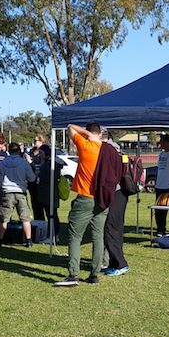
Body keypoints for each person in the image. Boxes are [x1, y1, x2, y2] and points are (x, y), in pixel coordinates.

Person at [54, 123, 107, 287]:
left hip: (85, 197)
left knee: (75, 236)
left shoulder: (86, 146)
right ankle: (94, 274)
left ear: (89, 134)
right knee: (98, 237)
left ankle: (73, 274)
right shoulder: (107, 151)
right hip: (103, 199)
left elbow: (70, 127)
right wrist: (95, 136)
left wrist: (88, 135)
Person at [100, 138, 131, 276]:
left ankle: (120, 263)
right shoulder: (117, 151)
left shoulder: (108, 151)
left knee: (110, 230)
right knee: (116, 230)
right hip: (121, 194)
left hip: (115, 193)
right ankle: (114, 263)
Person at [0, 143, 36, 248]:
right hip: (20, 192)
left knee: (4, 219)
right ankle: (28, 240)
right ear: (19, 151)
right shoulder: (24, 163)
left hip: (7, 192)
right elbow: (32, 178)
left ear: (9, 151)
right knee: (25, 218)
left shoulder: (3, 163)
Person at [36, 144, 65, 243]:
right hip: (46, 193)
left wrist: (40, 177)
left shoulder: (51, 163)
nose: (39, 155)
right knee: (51, 214)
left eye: (41, 153)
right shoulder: (47, 162)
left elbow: (49, 177)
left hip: (50, 193)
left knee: (52, 215)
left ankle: (53, 235)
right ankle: (53, 234)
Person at [28, 134, 46, 221]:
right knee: (34, 204)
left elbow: (40, 167)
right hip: (32, 182)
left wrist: (31, 162)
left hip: (40, 181)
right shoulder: (31, 151)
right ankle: (37, 222)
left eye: (36, 141)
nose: (34, 142)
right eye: (34, 140)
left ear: (41, 141)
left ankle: (42, 223)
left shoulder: (43, 153)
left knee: (40, 204)